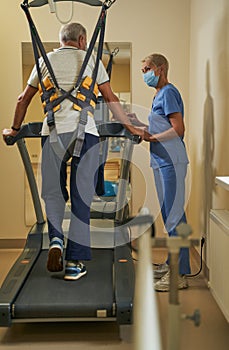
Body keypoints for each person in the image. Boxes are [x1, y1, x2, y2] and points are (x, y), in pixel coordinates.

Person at [2, 22, 143, 281]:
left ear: (61, 40)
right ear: (81, 40)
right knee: (81, 199)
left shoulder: (43, 62)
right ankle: (75, 262)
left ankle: (56, 240)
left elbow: (23, 99)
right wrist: (130, 128)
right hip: (84, 133)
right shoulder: (92, 61)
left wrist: (13, 129)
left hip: (53, 133)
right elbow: (111, 100)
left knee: (53, 194)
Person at [129, 53, 190, 291]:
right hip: (161, 161)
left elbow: (178, 129)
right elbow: (157, 128)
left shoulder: (169, 92)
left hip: (172, 161)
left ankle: (179, 274)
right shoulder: (158, 96)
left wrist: (151, 136)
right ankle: (172, 264)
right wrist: (139, 124)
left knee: (174, 217)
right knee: (168, 215)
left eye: (147, 70)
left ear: (160, 68)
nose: (144, 74)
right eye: (143, 71)